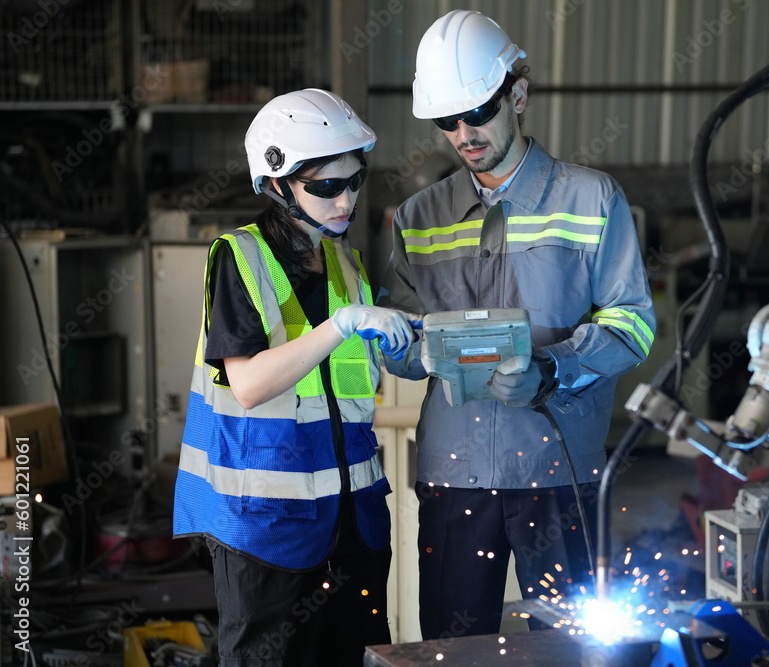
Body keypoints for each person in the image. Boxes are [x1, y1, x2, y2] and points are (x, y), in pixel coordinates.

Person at [377, 10, 656, 639]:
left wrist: (551, 369)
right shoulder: (418, 217)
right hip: (453, 474)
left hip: (559, 469)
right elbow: (398, 344)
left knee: (575, 646)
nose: (464, 134)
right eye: (448, 121)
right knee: (451, 650)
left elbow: (633, 324)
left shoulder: (592, 199)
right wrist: (415, 351)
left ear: (518, 95)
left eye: (478, 112)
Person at [173, 89, 418, 666]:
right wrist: (343, 324)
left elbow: (351, 387)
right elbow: (250, 385)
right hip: (267, 529)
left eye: (354, 181)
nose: (347, 199)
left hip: (353, 523)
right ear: (278, 184)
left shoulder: (345, 263)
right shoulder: (239, 257)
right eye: (326, 187)